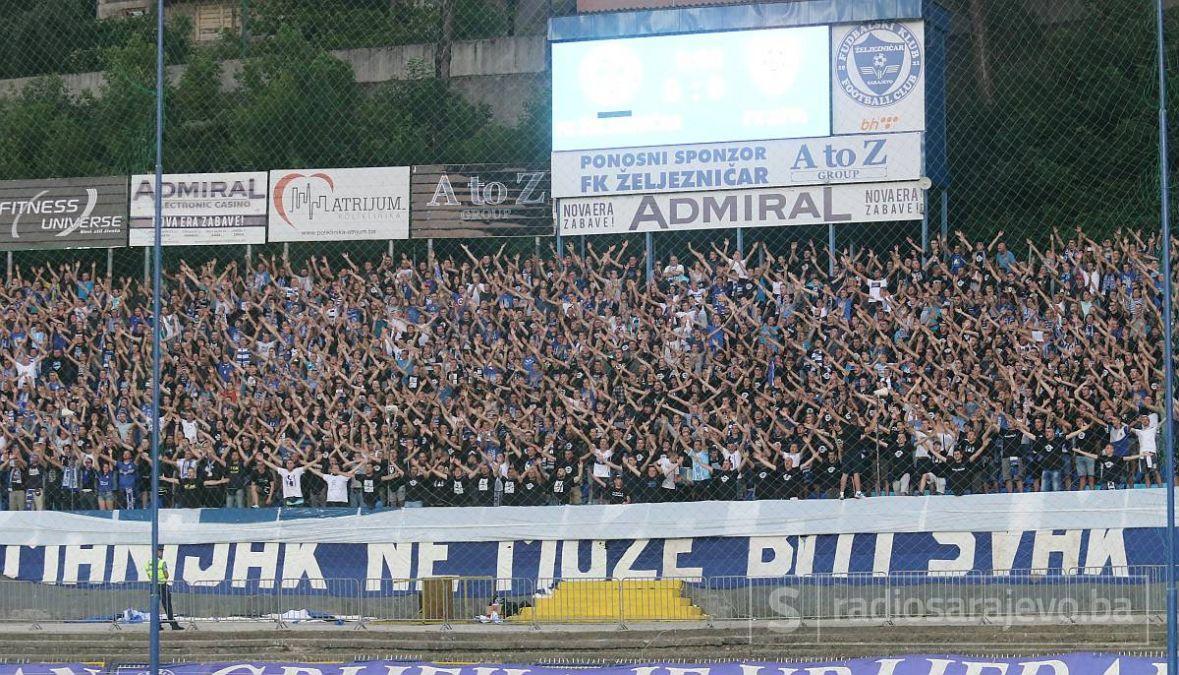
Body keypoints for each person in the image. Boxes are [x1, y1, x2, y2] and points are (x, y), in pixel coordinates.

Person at [145, 545, 183, 631]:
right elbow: (166, 575)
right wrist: (164, 577)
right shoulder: (162, 562)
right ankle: (173, 624)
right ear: (156, 552)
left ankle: (157, 625)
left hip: (153, 585)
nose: (162, 553)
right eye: (160, 551)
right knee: (167, 605)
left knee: (155, 606)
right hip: (162, 585)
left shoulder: (148, 563)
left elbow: (148, 575)